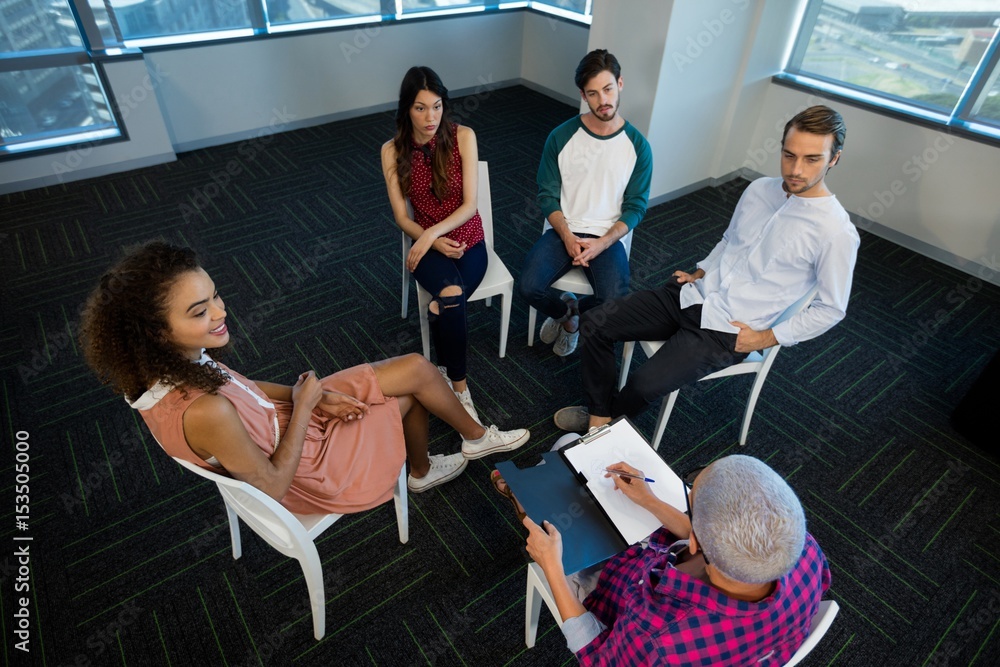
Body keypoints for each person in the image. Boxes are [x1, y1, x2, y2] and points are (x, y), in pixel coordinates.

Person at [79, 242, 530, 514]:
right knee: (409, 398)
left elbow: (244, 390)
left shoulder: (168, 364)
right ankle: (420, 470)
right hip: (305, 467)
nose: (221, 312)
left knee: (414, 366)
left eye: (215, 296)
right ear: (155, 331)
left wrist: (308, 396)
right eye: (201, 311)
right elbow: (273, 485)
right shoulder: (203, 411)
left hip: (284, 421)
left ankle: (472, 439)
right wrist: (309, 406)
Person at [555, 105, 860, 432]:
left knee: (644, 385)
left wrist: (766, 338)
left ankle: (604, 423)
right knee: (593, 322)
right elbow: (730, 241)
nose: (795, 169)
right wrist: (701, 271)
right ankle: (601, 417)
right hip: (691, 294)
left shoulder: (836, 232)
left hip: (728, 330)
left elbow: (831, 309)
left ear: (834, 159)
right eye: (789, 155)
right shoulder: (759, 190)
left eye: (811, 159)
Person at [523, 454, 830, 665]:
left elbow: (594, 657)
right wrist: (649, 501)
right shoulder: (803, 549)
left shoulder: (659, 637)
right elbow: (717, 545)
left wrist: (551, 564)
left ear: (694, 541)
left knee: (549, 504)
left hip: (619, 602)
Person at [519, 49, 652, 357]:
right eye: (593, 93)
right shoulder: (560, 136)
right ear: (583, 95)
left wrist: (603, 243)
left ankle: (573, 311)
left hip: (606, 237)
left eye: (607, 89)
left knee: (613, 301)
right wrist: (566, 236)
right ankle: (567, 318)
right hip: (564, 229)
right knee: (528, 286)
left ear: (620, 84)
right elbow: (547, 195)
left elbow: (636, 207)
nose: (602, 100)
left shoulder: (638, 147)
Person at [382, 66, 487, 419]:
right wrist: (430, 239)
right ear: (406, 109)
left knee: (444, 305)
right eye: (421, 108)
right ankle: (460, 389)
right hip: (427, 248)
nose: (431, 117)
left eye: (437, 106)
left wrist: (432, 233)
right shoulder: (393, 150)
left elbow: (470, 205)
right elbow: (401, 217)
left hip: (469, 240)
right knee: (453, 296)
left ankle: (442, 357)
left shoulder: (463, 136)